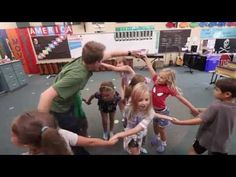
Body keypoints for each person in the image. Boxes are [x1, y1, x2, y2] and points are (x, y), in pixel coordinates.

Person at [37, 41, 140, 154]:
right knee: (72, 134)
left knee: (82, 122)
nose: (102, 63)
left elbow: (111, 53)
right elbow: (45, 96)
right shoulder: (77, 76)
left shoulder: (86, 58)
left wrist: (131, 52)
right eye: (100, 61)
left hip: (71, 98)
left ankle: (83, 137)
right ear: (95, 62)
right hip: (60, 108)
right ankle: (78, 147)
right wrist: (43, 128)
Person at [141, 55, 199, 153]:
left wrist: (193, 108)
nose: (158, 78)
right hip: (153, 110)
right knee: (155, 125)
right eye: (159, 76)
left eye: (162, 78)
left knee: (161, 129)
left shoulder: (169, 88)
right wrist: (145, 58)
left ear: (168, 80)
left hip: (162, 112)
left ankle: (163, 143)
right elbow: (150, 67)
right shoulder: (156, 80)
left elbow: (181, 98)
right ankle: (157, 137)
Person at [171, 78, 236, 155]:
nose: (213, 91)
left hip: (206, 138)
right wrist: (201, 110)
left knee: (193, 151)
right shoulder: (232, 105)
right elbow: (218, 112)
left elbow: (200, 120)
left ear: (227, 94)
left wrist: (180, 122)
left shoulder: (216, 106)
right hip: (222, 141)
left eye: (216, 89)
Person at [11, 111, 118, 155]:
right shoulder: (60, 133)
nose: (12, 137)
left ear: (27, 143)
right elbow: (90, 142)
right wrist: (108, 143)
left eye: (14, 134)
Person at [110, 83, 174, 155]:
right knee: (134, 151)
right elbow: (125, 112)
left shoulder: (149, 111)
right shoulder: (130, 106)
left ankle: (140, 148)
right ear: (134, 99)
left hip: (141, 131)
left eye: (146, 99)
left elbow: (138, 128)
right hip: (130, 134)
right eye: (140, 100)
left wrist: (168, 117)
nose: (144, 103)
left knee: (142, 142)